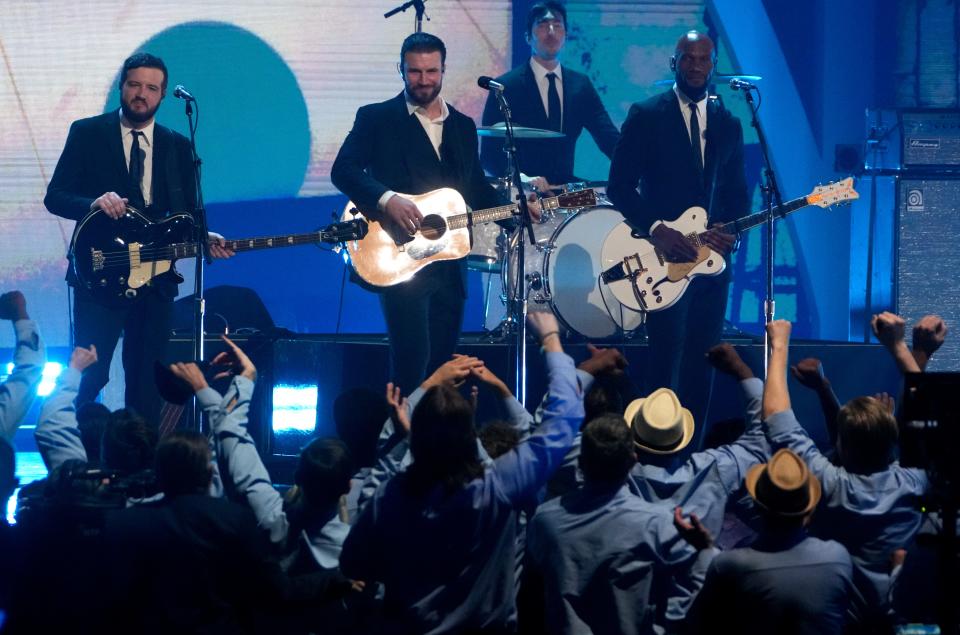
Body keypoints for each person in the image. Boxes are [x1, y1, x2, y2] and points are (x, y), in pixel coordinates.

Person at [339, 312, 584, 634]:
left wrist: (426, 388)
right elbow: (563, 419)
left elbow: (353, 563)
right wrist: (550, 340)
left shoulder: (392, 495)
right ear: (471, 436)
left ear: (418, 438)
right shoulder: (498, 488)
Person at [44, 52, 233, 423]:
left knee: (147, 378)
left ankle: (139, 466)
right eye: (134, 85)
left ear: (163, 95)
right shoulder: (87, 133)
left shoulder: (179, 146)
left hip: (157, 281)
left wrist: (203, 234)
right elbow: (56, 196)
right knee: (92, 373)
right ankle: (71, 455)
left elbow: (186, 214)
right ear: (122, 87)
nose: (140, 94)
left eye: (151, 87)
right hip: (99, 275)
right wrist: (94, 203)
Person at [331, 32, 510, 395]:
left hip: (451, 262)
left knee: (445, 370)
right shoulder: (377, 118)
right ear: (401, 70)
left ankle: (438, 446)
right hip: (402, 261)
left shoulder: (461, 125)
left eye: (431, 71)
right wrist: (387, 199)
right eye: (415, 71)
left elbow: (474, 187)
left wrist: (516, 213)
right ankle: (402, 445)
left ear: (443, 70)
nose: (424, 80)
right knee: (412, 366)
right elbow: (343, 171)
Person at [607, 30, 749, 427]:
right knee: (665, 361)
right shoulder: (647, 114)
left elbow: (738, 194)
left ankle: (692, 457)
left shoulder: (729, 123)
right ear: (675, 63)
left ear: (714, 65)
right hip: (664, 260)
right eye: (688, 58)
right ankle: (655, 450)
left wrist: (732, 233)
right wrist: (656, 229)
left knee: (703, 364)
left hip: (711, 265)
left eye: (704, 59)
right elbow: (618, 186)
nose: (696, 66)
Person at [762, 317, 929, 631]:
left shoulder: (832, 486)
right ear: (893, 441)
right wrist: (898, 347)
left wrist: (779, 345)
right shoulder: (914, 483)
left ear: (840, 445)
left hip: (840, 624)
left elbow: (776, 418)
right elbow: (928, 415)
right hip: (900, 622)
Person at [524, 415, 712, 634]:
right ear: (633, 461)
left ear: (581, 463)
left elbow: (531, 594)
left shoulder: (544, 520)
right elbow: (697, 586)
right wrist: (706, 550)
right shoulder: (658, 525)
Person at [677, 448, 853, 635]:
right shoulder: (838, 558)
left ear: (755, 505)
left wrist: (705, 552)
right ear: (809, 511)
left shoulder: (730, 566)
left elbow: (697, 624)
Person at [479, 1, 619, 187]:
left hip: (565, 189)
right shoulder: (506, 86)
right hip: (524, 192)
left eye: (558, 25)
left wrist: (637, 168)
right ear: (528, 36)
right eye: (543, 25)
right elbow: (489, 155)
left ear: (566, 35)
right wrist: (522, 179)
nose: (551, 32)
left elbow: (608, 137)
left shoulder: (580, 85)